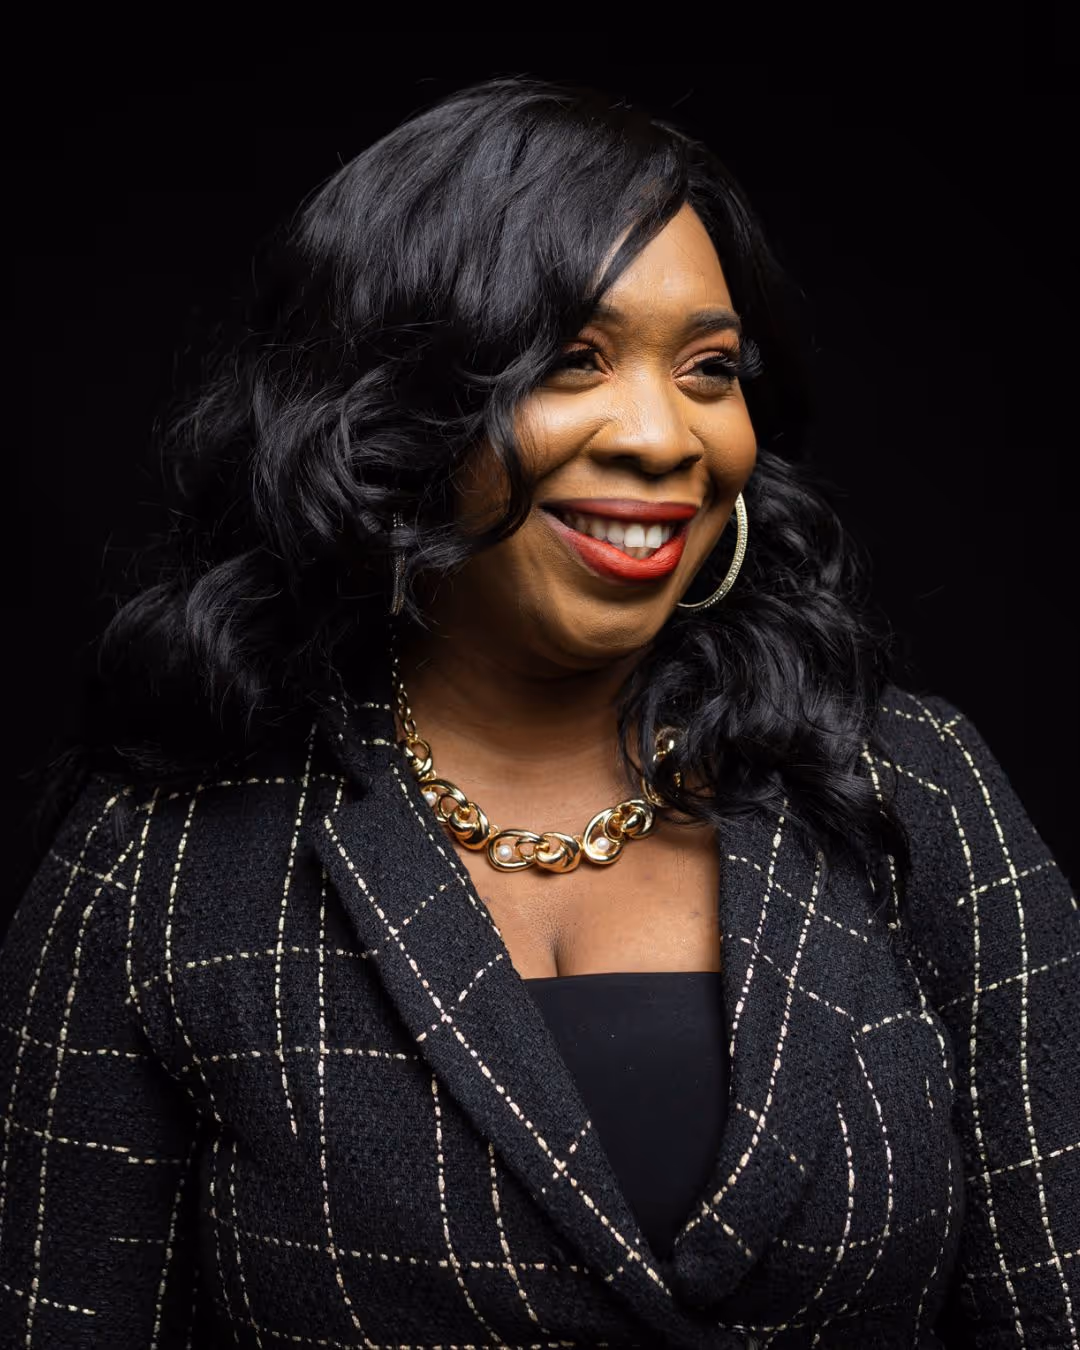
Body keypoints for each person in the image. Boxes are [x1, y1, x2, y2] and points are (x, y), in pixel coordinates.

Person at [1, 75, 1076, 1350]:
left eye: (710, 369)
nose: (663, 438)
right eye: (573, 359)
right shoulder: (161, 860)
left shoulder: (913, 786)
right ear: (391, 408)